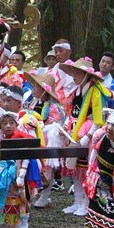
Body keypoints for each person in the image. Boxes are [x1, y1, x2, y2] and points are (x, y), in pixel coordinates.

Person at [59, 57, 113, 216]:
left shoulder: (95, 91)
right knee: (75, 169)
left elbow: (99, 117)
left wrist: (88, 135)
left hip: (88, 132)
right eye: (74, 71)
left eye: (78, 72)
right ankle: (77, 201)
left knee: (86, 169)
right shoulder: (76, 90)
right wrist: (66, 123)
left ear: (86, 75)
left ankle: (86, 203)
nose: (74, 75)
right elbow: (72, 111)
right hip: (74, 130)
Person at [26, 70, 66, 208]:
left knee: (47, 170)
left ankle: (44, 197)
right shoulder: (33, 103)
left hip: (47, 140)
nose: (34, 88)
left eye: (36, 86)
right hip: (33, 138)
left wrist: (40, 128)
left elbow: (55, 126)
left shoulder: (53, 108)